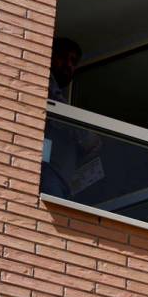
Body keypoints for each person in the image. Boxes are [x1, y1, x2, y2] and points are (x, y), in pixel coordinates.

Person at [42, 37, 104, 198]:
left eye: (73, 61)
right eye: (63, 57)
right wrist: (89, 138)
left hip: (60, 181)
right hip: (47, 177)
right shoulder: (43, 84)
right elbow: (87, 139)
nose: (68, 64)